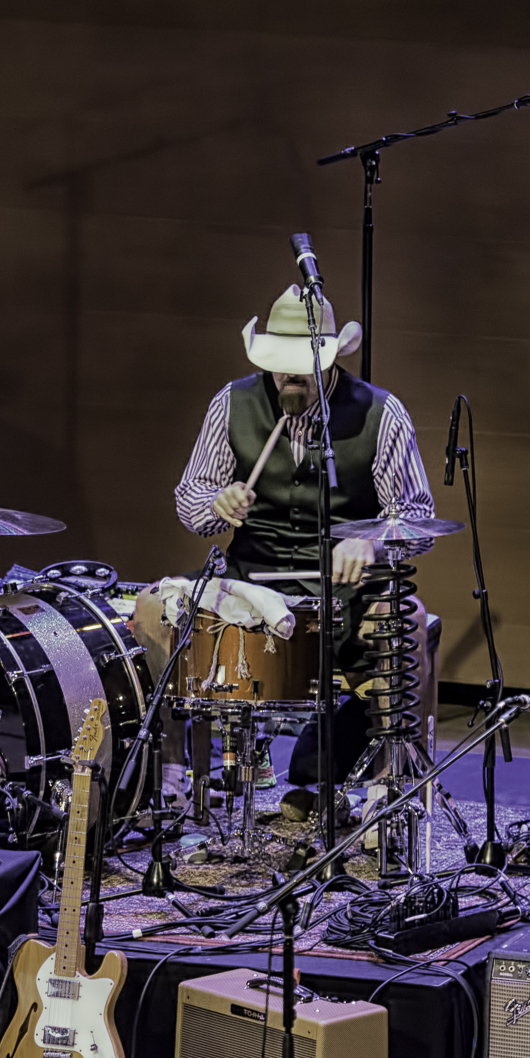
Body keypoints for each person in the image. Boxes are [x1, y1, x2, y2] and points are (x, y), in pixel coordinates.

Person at [172, 283, 440, 791]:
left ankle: (392, 788)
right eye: (280, 362)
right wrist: (217, 504)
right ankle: (165, 782)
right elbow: (191, 501)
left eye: (302, 364)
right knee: (153, 609)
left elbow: (417, 519)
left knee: (404, 618)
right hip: (252, 578)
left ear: (332, 358)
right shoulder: (233, 403)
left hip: (347, 592)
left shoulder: (381, 414)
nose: (289, 375)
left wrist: (372, 542)